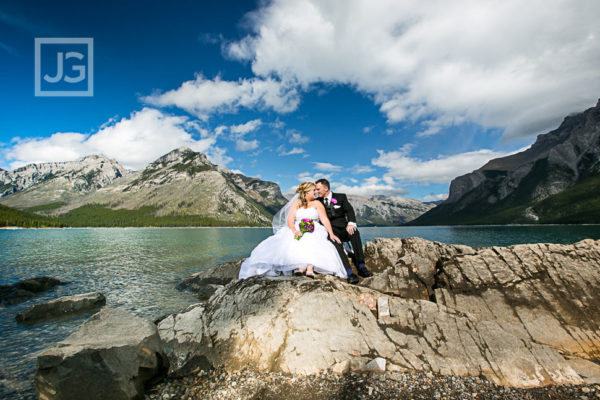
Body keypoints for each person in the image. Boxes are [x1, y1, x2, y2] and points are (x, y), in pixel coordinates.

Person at [238, 182, 348, 280]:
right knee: (292, 240)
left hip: (314, 228)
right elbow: (290, 220)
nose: (315, 192)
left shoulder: (317, 204)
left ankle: (309, 267)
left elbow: (324, 219)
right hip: (297, 227)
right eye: (313, 190)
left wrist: (332, 234)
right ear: (306, 192)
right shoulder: (297, 203)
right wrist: (295, 230)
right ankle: (298, 266)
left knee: (312, 239)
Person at [315, 178, 373, 283]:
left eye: (318, 189)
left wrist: (351, 223)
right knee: (335, 242)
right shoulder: (317, 201)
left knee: (355, 233)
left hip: (344, 228)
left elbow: (349, 210)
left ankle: (361, 266)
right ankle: (349, 272)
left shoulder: (341, 197)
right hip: (331, 231)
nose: (316, 191)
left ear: (326, 188)